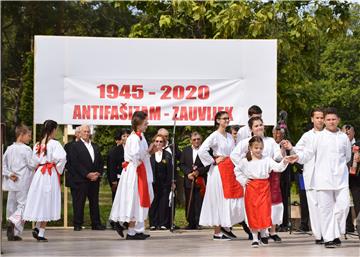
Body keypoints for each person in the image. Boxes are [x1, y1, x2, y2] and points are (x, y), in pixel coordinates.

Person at [285, 107, 351, 248]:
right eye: (328, 119)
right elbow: (307, 154)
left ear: (338, 120)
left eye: (333, 119)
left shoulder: (344, 137)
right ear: (325, 122)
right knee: (325, 211)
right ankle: (329, 239)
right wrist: (297, 157)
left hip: (341, 180)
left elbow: (347, 157)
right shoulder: (317, 137)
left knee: (343, 207)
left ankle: (334, 233)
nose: (331, 122)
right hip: (322, 180)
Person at [231, 116, 285, 243]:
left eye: (261, 124)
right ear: (251, 128)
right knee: (253, 208)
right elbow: (234, 156)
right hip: (253, 181)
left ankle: (268, 231)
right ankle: (257, 235)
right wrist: (247, 171)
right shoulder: (246, 142)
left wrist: (283, 153)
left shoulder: (270, 141)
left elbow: (277, 157)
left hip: (269, 176)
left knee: (269, 207)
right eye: (256, 125)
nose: (259, 127)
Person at [235, 136, 292, 247]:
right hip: (251, 188)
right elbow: (237, 171)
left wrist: (284, 161)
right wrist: (243, 180)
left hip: (264, 187)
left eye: (261, 148)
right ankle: (255, 238)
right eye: (256, 148)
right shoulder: (245, 161)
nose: (258, 150)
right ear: (250, 148)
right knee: (253, 213)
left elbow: (278, 168)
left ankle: (264, 233)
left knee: (264, 212)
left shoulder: (266, 159)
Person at [198, 111, 245, 240]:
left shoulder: (230, 136)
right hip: (218, 171)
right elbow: (202, 150)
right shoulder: (214, 135)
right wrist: (213, 160)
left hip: (230, 169)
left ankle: (226, 226)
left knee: (228, 199)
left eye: (227, 118)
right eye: (224, 118)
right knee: (218, 198)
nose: (226, 120)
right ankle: (217, 231)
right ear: (218, 120)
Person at [109, 111, 155, 240]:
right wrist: (148, 153)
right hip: (134, 172)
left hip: (139, 170)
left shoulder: (141, 136)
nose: (147, 124)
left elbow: (141, 155)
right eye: (145, 122)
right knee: (134, 199)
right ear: (139, 124)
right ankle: (128, 228)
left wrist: (149, 152)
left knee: (138, 200)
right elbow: (136, 158)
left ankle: (134, 230)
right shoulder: (134, 138)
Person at [23, 120, 67, 242]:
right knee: (48, 200)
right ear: (53, 130)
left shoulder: (37, 144)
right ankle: (41, 232)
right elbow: (62, 158)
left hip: (39, 174)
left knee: (40, 199)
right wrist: (57, 167)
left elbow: (33, 162)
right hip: (49, 173)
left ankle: (37, 227)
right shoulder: (55, 144)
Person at [285, 109, 325, 243]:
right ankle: (319, 235)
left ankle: (329, 233)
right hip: (311, 177)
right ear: (312, 119)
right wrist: (291, 147)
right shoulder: (307, 136)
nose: (319, 120)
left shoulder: (329, 135)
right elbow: (298, 152)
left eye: (322, 117)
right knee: (314, 207)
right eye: (317, 117)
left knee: (326, 207)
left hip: (326, 178)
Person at [69, 124, 105, 231]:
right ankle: (78, 224)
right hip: (81, 179)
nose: (86, 133)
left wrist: (98, 173)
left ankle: (96, 223)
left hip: (94, 179)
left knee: (94, 202)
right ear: (79, 133)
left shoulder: (95, 146)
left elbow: (100, 161)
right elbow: (75, 163)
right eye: (84, 131)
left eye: (88, 131)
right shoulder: (74, 146)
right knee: (79, 202)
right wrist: (87, 174)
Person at [2, 125, 34, 241]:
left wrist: (10, 174)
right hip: (24, 182)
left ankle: (12, 232)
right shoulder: (26, 149)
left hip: (12, 182)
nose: (30, 138)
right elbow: (31, 165)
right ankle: (13, 222)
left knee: (11, 206)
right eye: (28, 135)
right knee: (24, 205)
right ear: (21, 135)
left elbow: (2, 164)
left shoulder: (9, 148)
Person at [180, 132, 209, 230]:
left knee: (199, 202)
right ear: (190, 140)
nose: (196, 141)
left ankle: (198, 222)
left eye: (198, 139)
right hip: (189, 180)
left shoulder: (205, 150)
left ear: (201, 140)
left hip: (200, 180)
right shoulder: (186, 150)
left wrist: (198, 172)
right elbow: (182, 164)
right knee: (189, 201)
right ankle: (190, 222)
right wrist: (188, 173)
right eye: (194, 139)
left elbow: (208, 165)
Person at [149, 134, 174, 230]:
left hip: (164, 183)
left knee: (163, 203)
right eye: (156, 141)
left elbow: (170, 169)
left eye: (161, 141)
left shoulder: (168, 154)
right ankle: (153, 223)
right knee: (153, 202)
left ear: (164, 143)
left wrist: (172, 182)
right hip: (153, 182)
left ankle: (163, 223)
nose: (158, 143)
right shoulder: (150, 154)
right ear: (154, 142)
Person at [272, 126, 292, 232]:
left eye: (280, 134)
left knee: (284, 199)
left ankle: (284, 223)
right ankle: (274, 223)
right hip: (273, 176)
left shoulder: (286, 144)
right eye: (275, 133)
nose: (277, 135)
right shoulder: (270, 144)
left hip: (284, 176)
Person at [342, 125, 360, 233]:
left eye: (349, 132)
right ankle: (348, 226)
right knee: (343, 202)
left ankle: (359, 226)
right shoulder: (339, 144)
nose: (347, 134)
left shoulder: (358, 144)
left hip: (356, 178)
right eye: (345, 132)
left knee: (358, 201)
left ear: (353, 133)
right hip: (342, 177)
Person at [107, 128, 130, 202]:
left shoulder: (134, 149)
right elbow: (111, 168)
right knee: (118, 201)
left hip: (131, 179)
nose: (126, 138)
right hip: (119, 180)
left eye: (128, 136)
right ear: (121, 137)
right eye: (124, 136)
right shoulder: (114, 151)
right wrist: (113, 182)